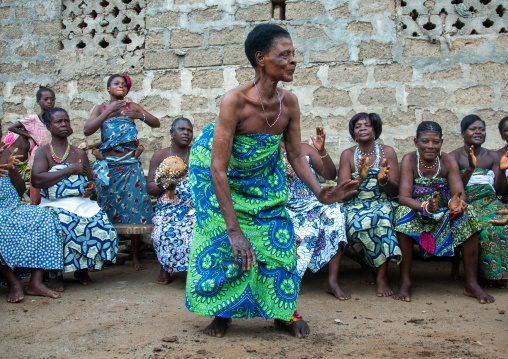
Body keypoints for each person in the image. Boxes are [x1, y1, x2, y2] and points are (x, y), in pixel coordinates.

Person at [185, 24, 359, 339]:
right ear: (261, 58)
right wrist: (234, 230)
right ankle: (222, 314)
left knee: (279, 245)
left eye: (293, 54)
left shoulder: (289, 102)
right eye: (285, 54)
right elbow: (218, 168)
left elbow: (294, 156)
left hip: (264, 184)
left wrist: (321, 192)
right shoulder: (234, 101)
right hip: (221, 179)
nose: (293, 60)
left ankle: (282, 313)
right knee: (224, 245)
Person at [393, 121, 494, 304]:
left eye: (436, 142)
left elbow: (459, 193)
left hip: (444, 210)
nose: (431, 146)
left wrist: (458, 203)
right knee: (401, 214)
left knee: (468, 214)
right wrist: (424, 207)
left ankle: (471, 283)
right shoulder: (409, 160)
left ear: (441, 143)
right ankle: (405, 281)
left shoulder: (448, 161)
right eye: (425, 141)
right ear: (416, 142)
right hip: (419, 209)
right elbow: (404, 197)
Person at [31, 108, 119, 291]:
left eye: (66, 120)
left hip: (80, 203)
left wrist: (90, 188)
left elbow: (91, 182)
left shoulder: (79, 153)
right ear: (48, 126)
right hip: (53, 205)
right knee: (61, 224)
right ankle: (57, 274)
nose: (64, 124)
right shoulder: (43, 152)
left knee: (100, 223)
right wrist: (68, 170)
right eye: (58, 122)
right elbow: (37, 180)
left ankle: (82, 268)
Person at [84, 74, 159, 270]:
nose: (121, 87)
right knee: (104, 209)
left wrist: (140, 116)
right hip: (108, 166)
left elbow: (156, 122)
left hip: (129, 165)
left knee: (134, 211)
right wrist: (108, 111)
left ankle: (135, 257)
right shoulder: (100, 109)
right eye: (116, 84)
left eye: (124, 85)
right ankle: (106, 255)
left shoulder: (132, 107)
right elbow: (87, 130)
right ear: (108, 88)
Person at [337, 113, 401, 297]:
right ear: (353, 134)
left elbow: (395, 190)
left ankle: (382, 276)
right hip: (355, 202)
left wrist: (384, 181)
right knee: (346, 220)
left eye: (368, 125)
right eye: (358, 126)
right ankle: (366, 263)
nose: (363, 128)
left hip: (382, 201)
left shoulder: (387, 152)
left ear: (375, 130)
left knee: (381, 216)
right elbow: (343, 193)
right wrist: (360, 178)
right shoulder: (348, 155)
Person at [281, 126, 349, 299]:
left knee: (335, 213)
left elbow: (329, 174)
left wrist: (322, 151)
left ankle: (332, 281)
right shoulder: (267, 151)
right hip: (283, 205)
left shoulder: (304, 149)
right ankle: (284, 280)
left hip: (313, 202)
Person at [0, 126, 63, 303]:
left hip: (13, 208)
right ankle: (13, 283)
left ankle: (35, 282)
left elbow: (20, 191)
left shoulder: (5, 152)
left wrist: (12, 170)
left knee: (45, 216)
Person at [449, 115, 508, 288]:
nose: (478, 132)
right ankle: (486, 276)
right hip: (469, 202)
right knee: (484, 229)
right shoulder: (454, 157)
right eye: (473, 129)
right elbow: (456, 187)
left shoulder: (493, 156)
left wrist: (503, 171)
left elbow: (499, 189)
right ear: (463, 133)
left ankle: (501, 274)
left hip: (491, 201)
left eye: (481, 129)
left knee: (503, 226)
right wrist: (470, 169)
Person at [147, 117, 195, 285]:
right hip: (168, 207)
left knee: (193, 227)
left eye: (189, 130)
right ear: (171, 133)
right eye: (182, 129)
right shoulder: (161, 155)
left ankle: (193, 270)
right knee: (163, 228)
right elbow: (150, 188)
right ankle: (165, 268)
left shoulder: (196, 153)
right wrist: (167, 184)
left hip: (192, 206)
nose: (186, 133)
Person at [2, 86, 55, 204]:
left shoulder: (55, 118)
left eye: (52, 99)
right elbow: (12, 127)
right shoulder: (33, 119)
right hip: (38, 158)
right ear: (38, 101)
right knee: (37, 191)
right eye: (46, 99)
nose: (49, 102)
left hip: (53, 156)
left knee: (52, 188)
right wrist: (30, 135)